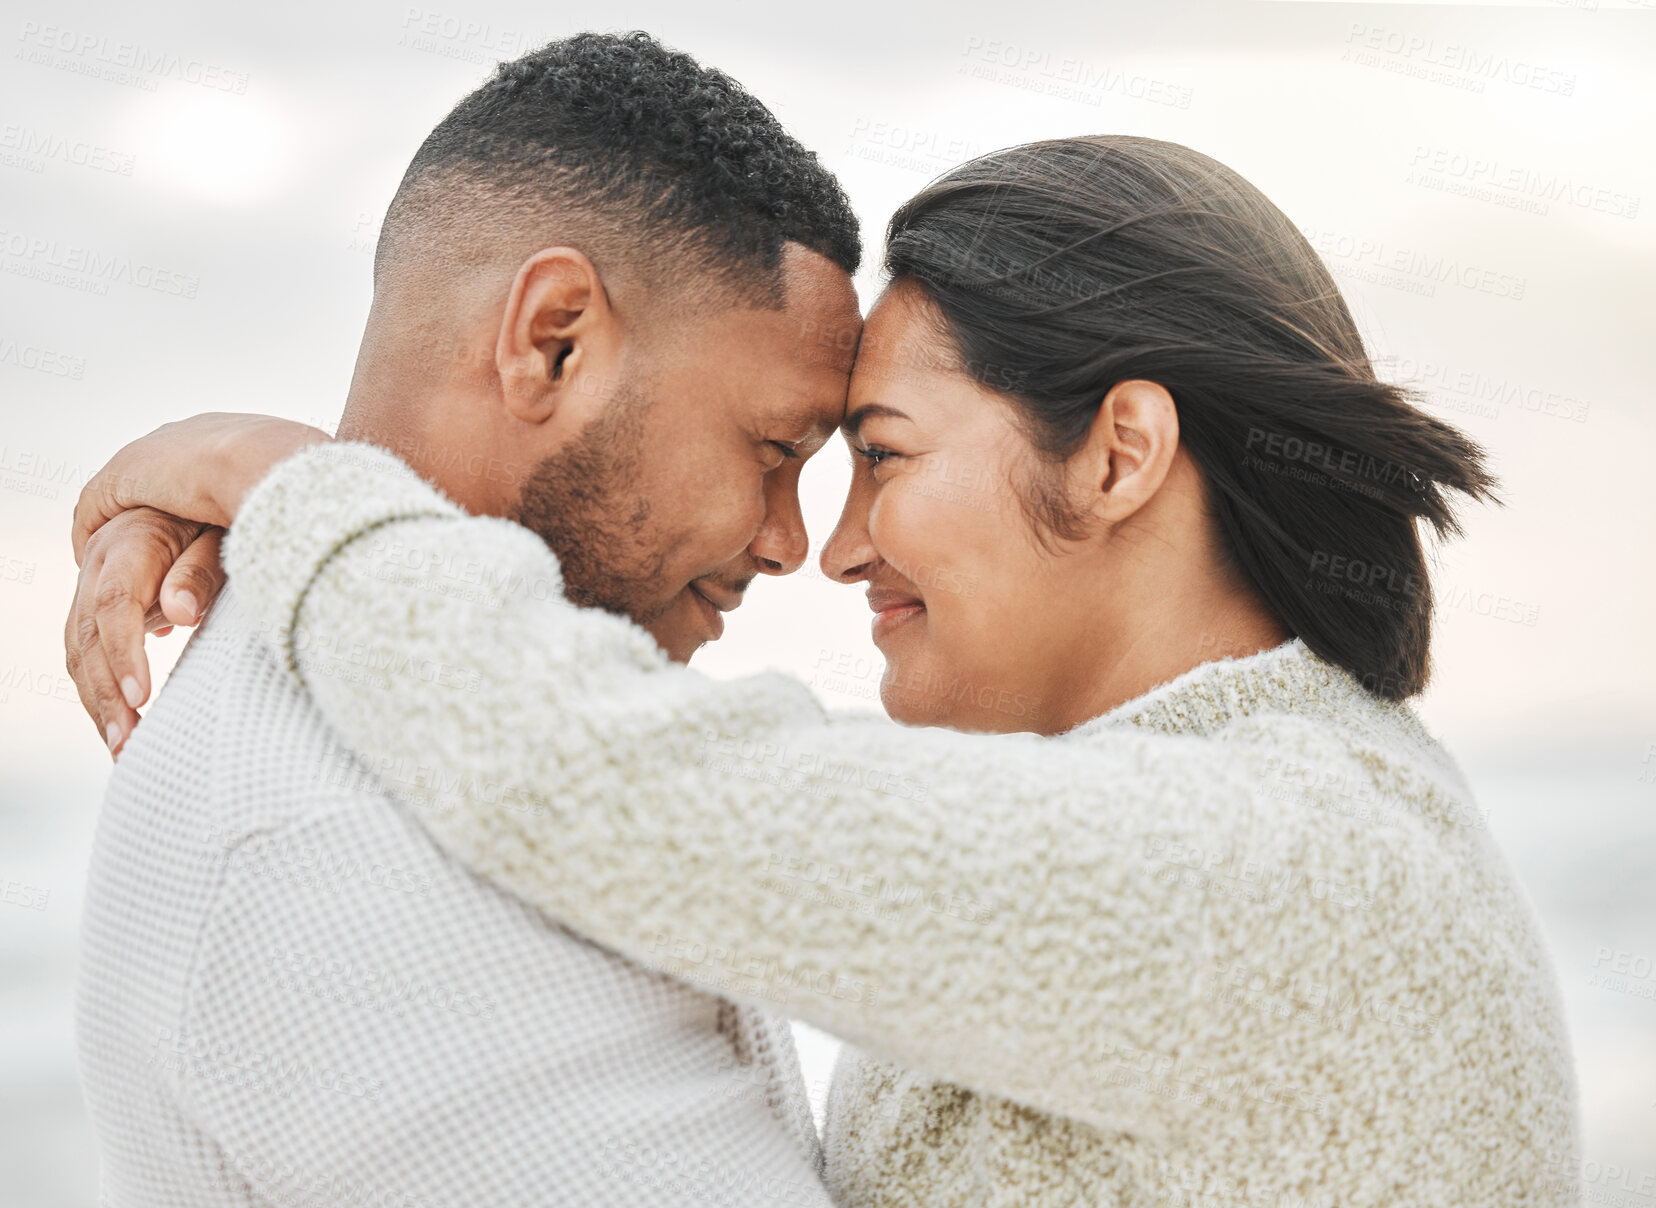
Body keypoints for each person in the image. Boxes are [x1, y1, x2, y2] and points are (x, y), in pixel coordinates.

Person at [72, 138, 1583, 1207]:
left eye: (879, 458)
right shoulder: (1261, 808)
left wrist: (301, 489)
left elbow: (621, 789)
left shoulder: (1298, 872)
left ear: (1120, 454)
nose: (835, 547)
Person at [64, 31, 868, 1208]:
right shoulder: (351, 848)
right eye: (775, 449)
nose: (790, 540)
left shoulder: (458, 730)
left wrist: (290, 478)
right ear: (553, 341)